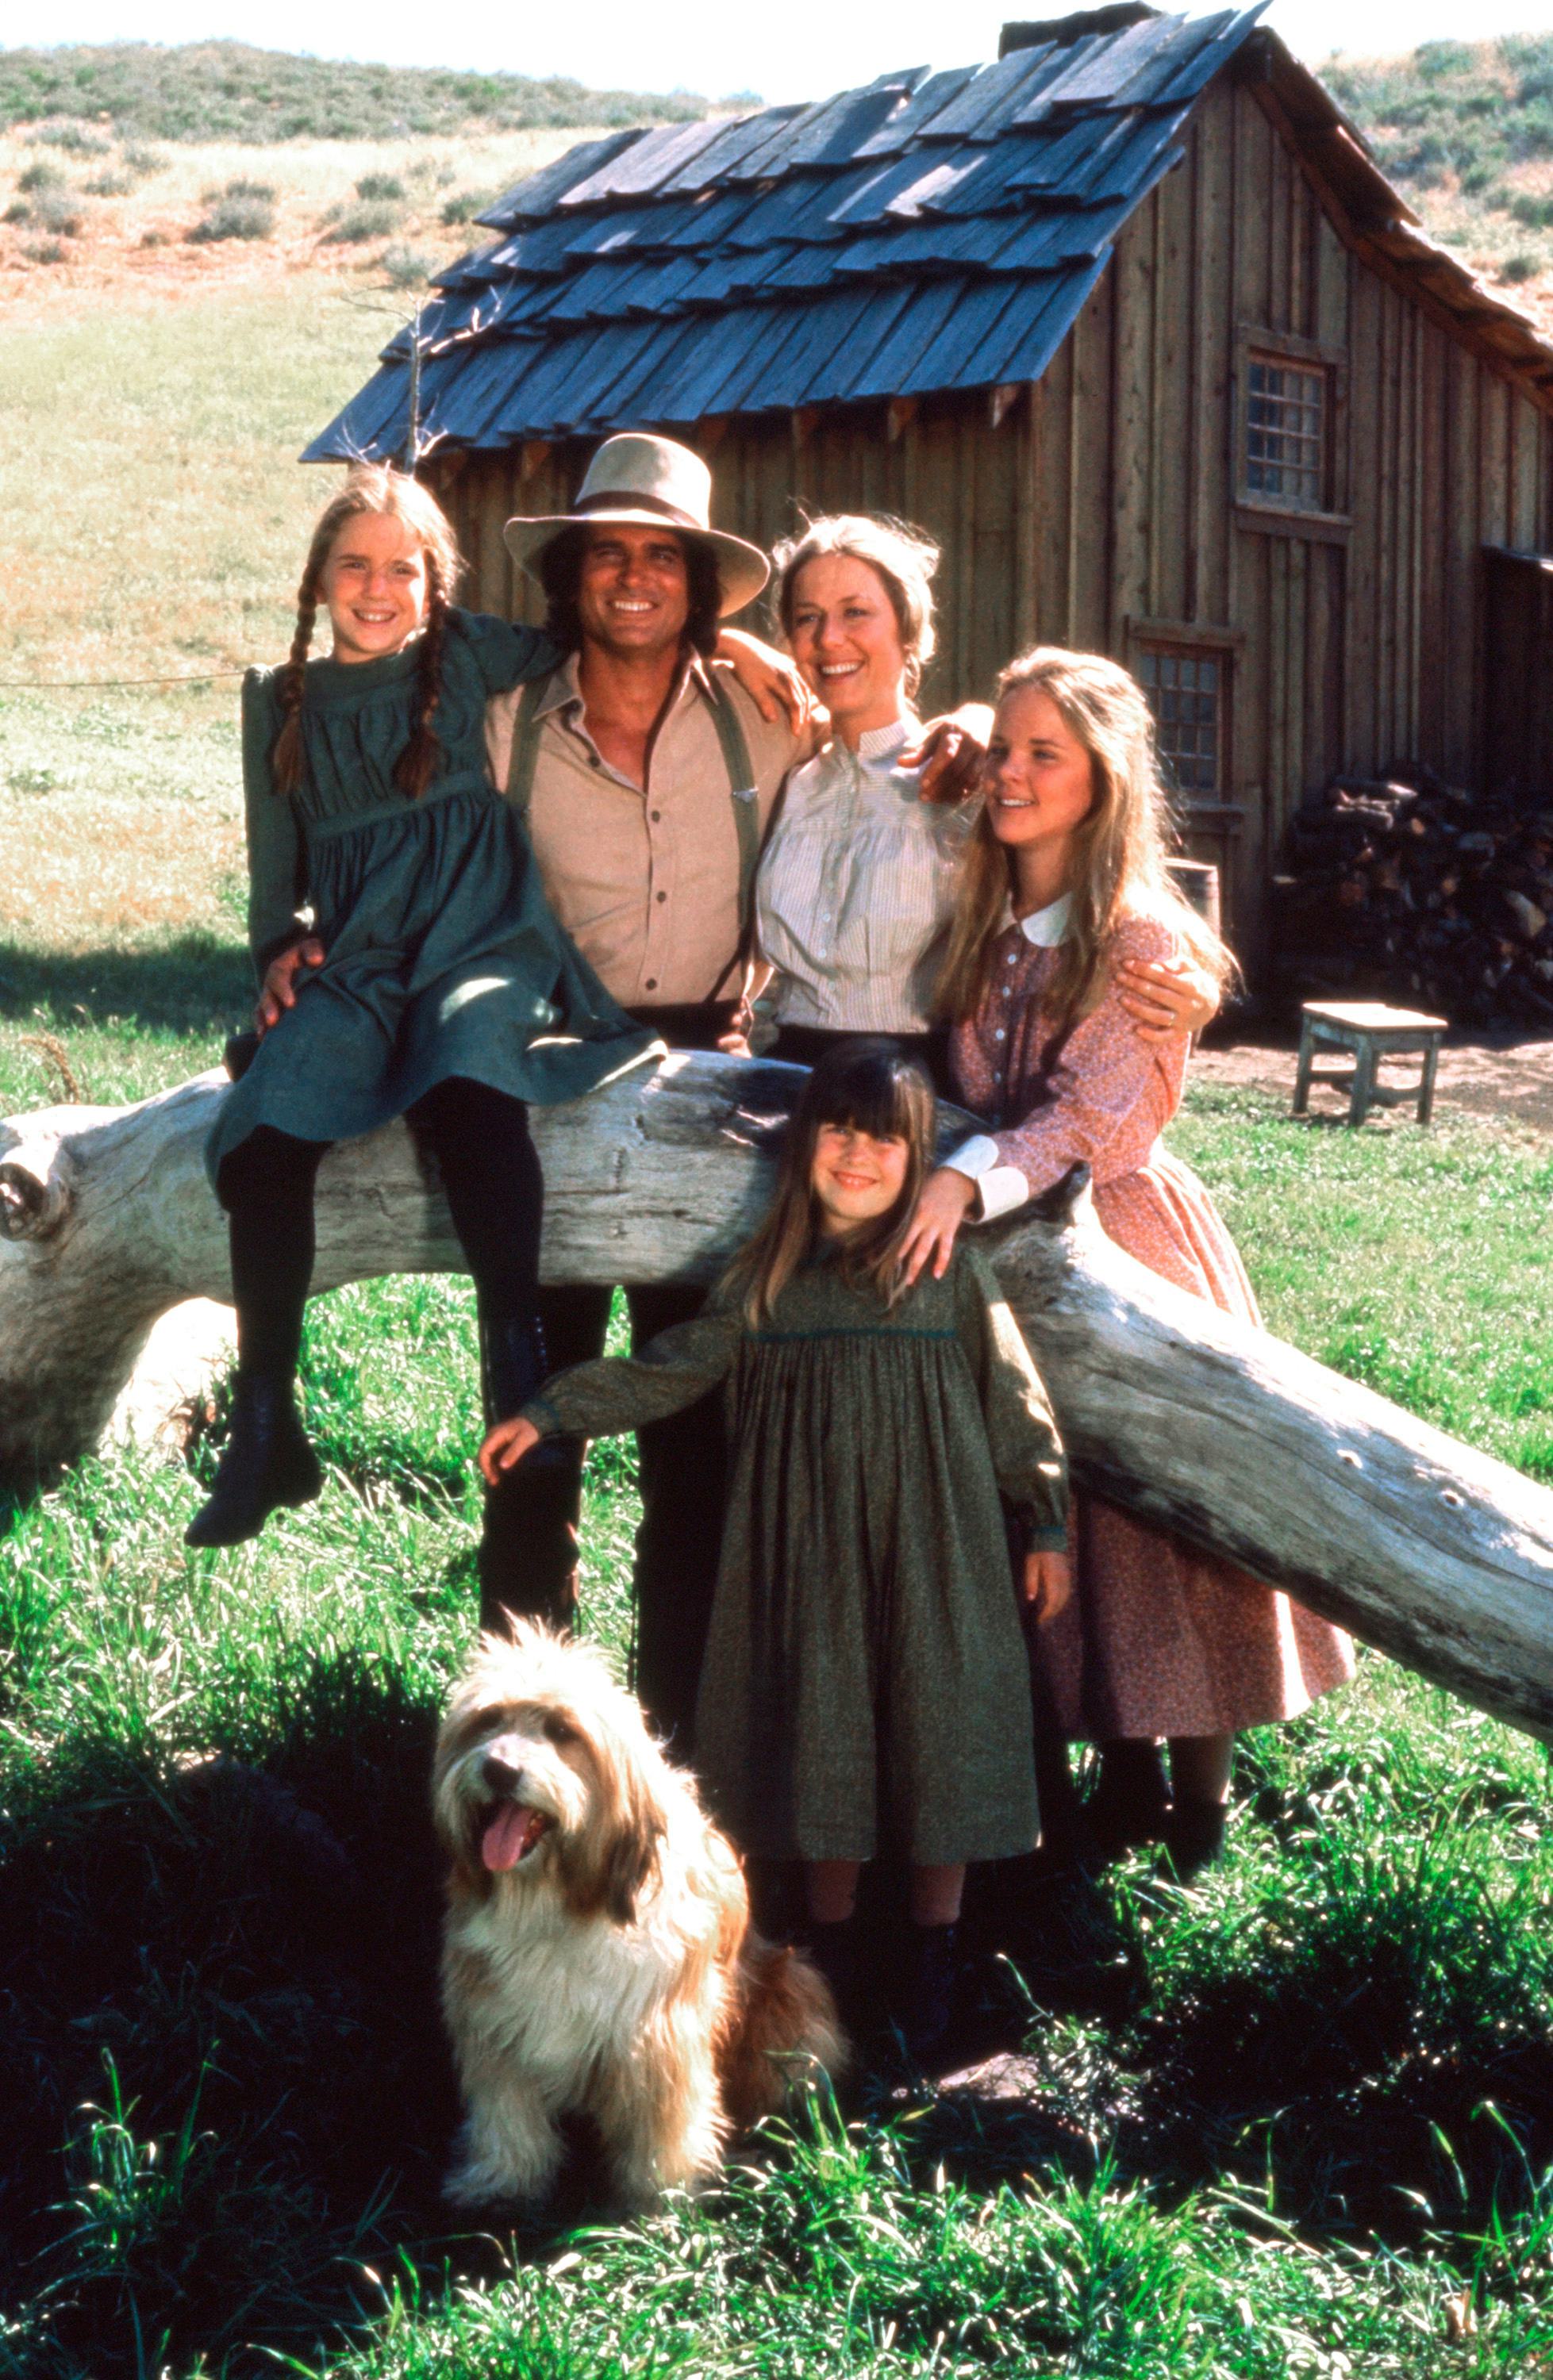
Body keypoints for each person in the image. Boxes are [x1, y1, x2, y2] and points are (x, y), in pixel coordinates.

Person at [480, 440, 989, 1743]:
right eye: (611, 551)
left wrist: (973, 730)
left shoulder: (762, 710)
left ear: (702, 583)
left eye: (664, 555)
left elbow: (927, 741)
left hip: (718, 1097)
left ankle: (675, 1748)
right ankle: (517, 1733)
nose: (635, 578)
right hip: (538, 1089)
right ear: (572, 571)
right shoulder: (508, 725)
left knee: (694, 1443)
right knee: (529, 1434)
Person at [479, 1040, 1071, 2059]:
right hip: (813, 1559)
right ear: (804, 1148)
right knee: (826, 1736)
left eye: (885, 1139)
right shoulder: (768, 1279)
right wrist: (553, 1409)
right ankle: (825, 1964)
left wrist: (1048, 1521)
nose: (858, 1155)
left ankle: (935, 1954)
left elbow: (1017, 1402)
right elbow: (671, 1367)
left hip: (940, 1554)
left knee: (940, 1727)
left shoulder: (952, 1275)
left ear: (917, 1156)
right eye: (838, 1131)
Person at [901, 647, 1355, 1879]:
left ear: (1102, 779)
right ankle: (1120, 1775)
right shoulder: (986, 912)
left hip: (1127, 1236)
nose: (1015, 773)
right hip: (1016, 1256)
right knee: (1072, 1520)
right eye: (1006, 748)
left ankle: (1197, 1814)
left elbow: (1095, 1122)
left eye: (1047, 754)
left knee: (1168, 1521)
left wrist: (965, 1172)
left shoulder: (1143, 932)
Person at [190, 464, 666, 1551]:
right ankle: (264, 1423)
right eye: (353, 564)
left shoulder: (469, 656)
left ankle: (520, 1382)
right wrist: (276, 954)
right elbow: (276, 879)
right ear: (318, 578)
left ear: (433, 580)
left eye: (401, 567)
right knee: (266, 1125)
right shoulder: (281, 699)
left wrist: (744, 649)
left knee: (471, 1083)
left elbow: (614, 636)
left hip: (481, 937)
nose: (377, 586)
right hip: (358, 960)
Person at [754, 514, 1224, 1096]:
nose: (828, 639)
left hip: (917, 1089)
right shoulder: (785, 781)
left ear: (909, 631)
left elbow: (1094, 884)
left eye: (856, 612)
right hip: (785, 1078)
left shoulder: (970, 776)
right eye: (807, 617)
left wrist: (1193, 983)